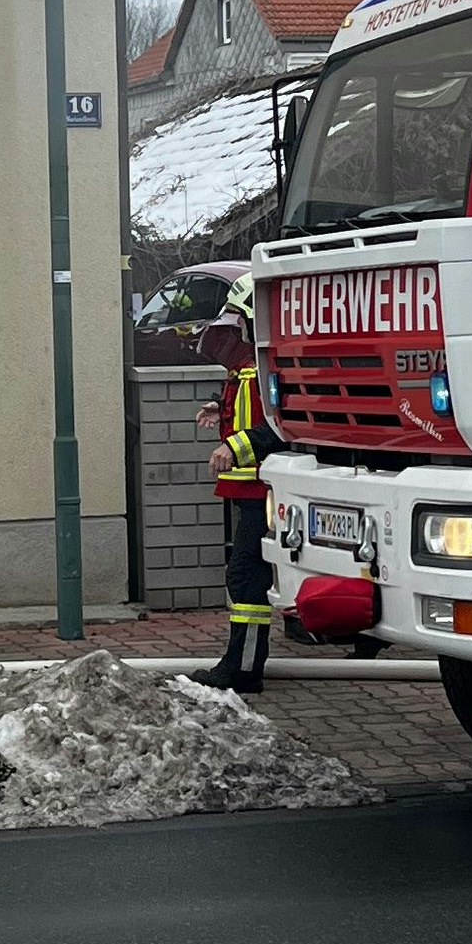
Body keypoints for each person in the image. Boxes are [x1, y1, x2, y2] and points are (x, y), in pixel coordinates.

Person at [192, 274, 280, 692]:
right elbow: (246, 396)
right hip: (251, 492)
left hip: (264, 490)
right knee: (247, 575)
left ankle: (243, 670)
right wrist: (217, 402)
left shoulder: (271, 367)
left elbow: (282, 426)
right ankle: (240, 663)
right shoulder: (252, 368)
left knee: (247, 578)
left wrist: (235, 446)